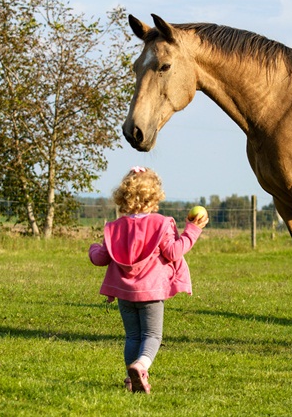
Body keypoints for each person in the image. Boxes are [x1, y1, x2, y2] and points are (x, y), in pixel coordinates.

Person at [88, 166, 208, 394]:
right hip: (151, 292)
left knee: (133, 336)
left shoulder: (115, 227)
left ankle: (130, 378)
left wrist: (93, 248)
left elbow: (100, 258)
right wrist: (192, 230)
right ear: (155, 196)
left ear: (123, 196)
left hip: (124, 292)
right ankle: (141, 367)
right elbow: (173, 252)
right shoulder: (161, 224)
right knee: (152, 335)